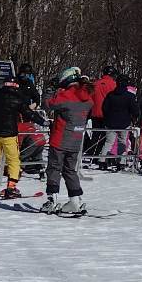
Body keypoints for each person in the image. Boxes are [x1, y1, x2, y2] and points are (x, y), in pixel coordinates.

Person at [42, 67, 92, 215]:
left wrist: (50, 89)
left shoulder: (66, 96)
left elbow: (47, 104)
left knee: (54, 169)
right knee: (70, 170)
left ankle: (52, 199)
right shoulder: (87, 97)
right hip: (76, 140)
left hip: (60, 138)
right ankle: (75, 200)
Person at [0, 71, 28, 198]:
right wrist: (43, 122)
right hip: (9, 134)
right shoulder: (17, 98)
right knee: (13, 160)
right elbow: (27, 112)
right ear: (15, 85)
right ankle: (11, 188)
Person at [98, 75, 140, 170]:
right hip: (124, 123)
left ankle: (102, 160)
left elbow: (104, 108)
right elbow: (135, 110)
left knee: (108, 142)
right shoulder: (130, 96)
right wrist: (134, 117)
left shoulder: (110, 95)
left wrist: (107, 117)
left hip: (110, 122)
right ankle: (121, 162)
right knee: (122, 142)